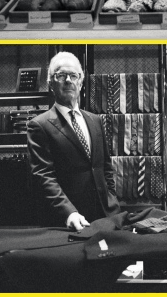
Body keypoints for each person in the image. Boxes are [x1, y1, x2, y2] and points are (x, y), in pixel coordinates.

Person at [27, 51, 120, 231]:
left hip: (105, 215)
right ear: (50, 83)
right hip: (68, 221)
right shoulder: (39, 125)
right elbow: (43, 176)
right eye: (61, 75)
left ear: (81, 82)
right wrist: (69, 213)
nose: (68, 80)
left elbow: (105, 167)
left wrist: (112, 199)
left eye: (73, 75)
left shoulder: (95, 120)